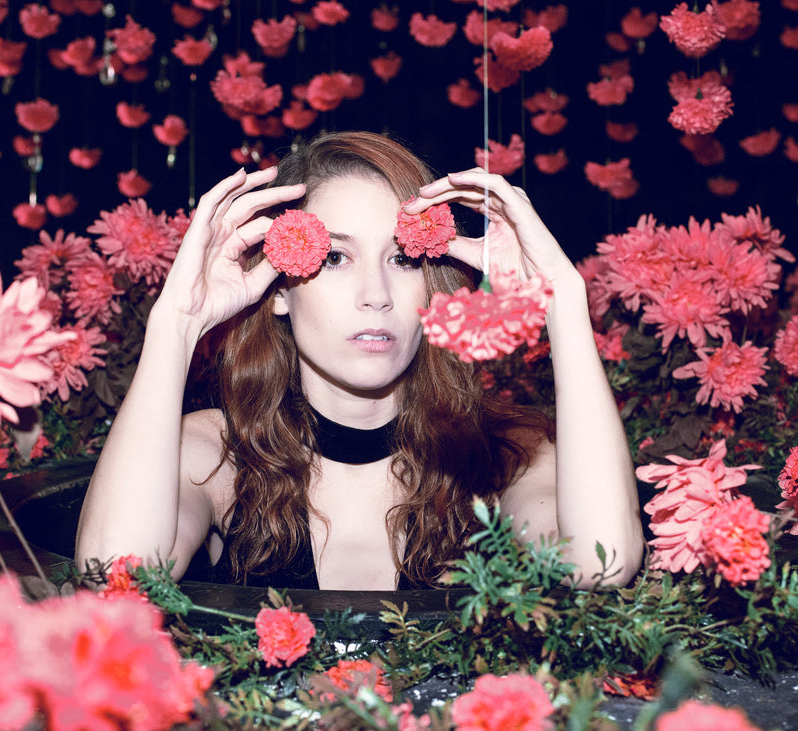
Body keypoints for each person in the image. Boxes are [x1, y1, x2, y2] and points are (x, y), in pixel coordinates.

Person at [75, 131, 643, 591]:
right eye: (337, 258)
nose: (377, 294)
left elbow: (603, 565)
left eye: (401, 258)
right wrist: (175, 323)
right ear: (276, 288)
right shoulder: (216, 453)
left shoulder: (502, 456)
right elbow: (113, 578)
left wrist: (563, 302)